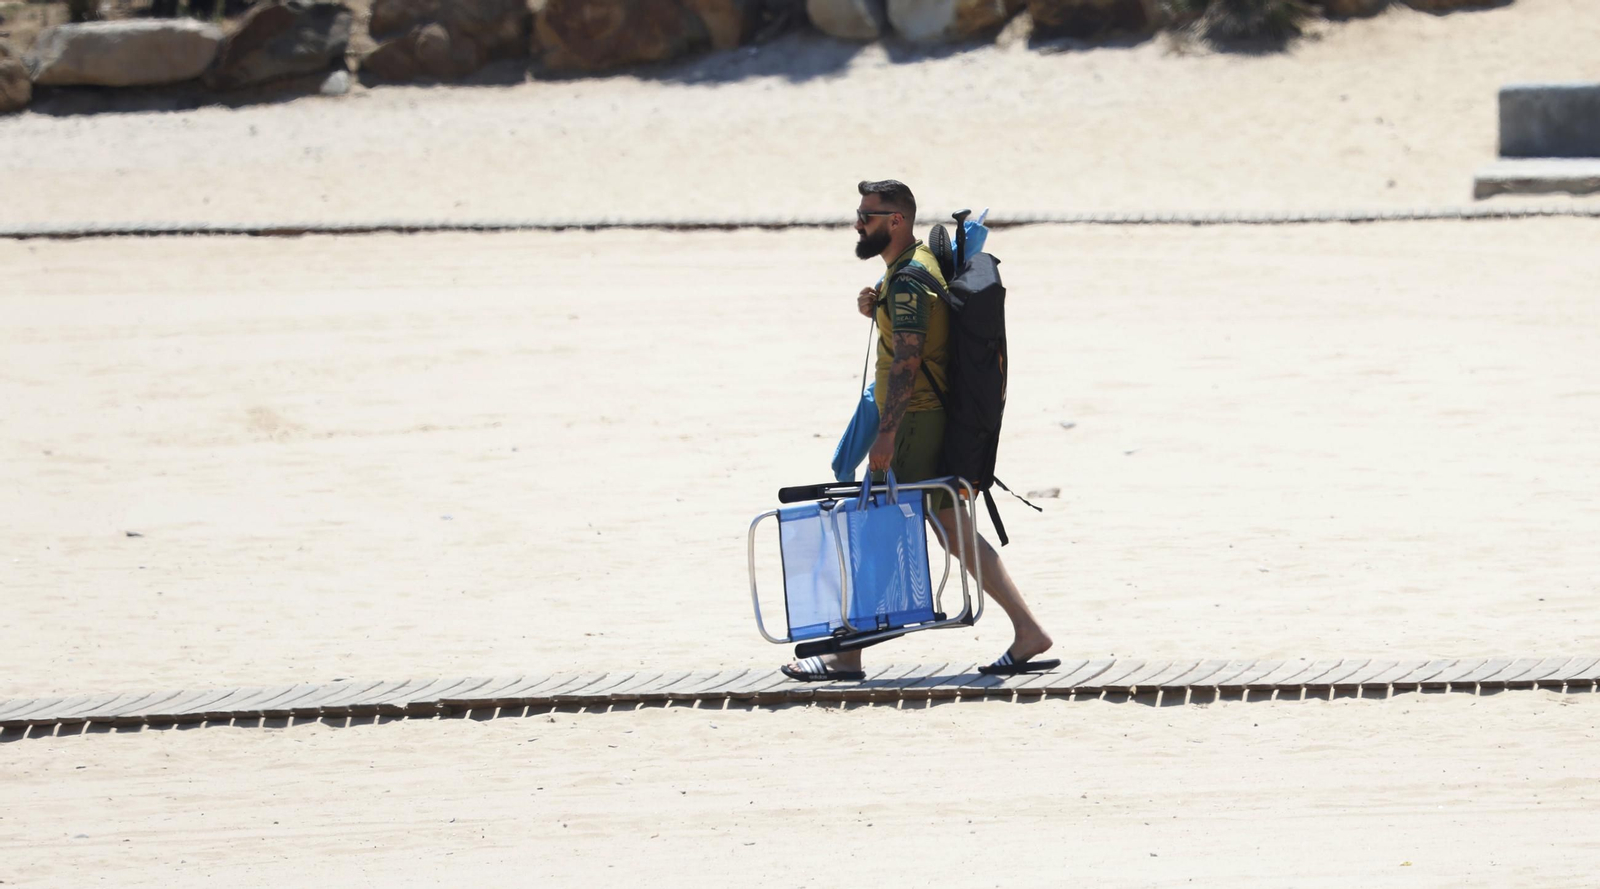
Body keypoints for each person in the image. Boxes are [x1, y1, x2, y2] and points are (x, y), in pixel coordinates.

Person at [782, 180, 1058, 682]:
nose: (858, 223)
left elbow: (909, 360)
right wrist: (878, 306)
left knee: (879, 530)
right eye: (858, 213)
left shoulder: (908, 278)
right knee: (954, 532)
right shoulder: (907, 273)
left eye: (868, 215)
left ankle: (847, 657)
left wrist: (886, 436)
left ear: (897, 220)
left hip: (912, 423)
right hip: (926, 419)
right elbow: (918, 332)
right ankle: (1028, 632)